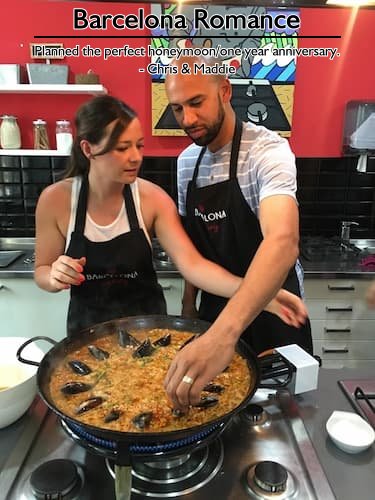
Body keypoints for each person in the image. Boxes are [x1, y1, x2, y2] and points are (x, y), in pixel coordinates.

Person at [34, 95, 307, 339]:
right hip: (87, 335)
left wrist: (263, 296)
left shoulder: (153, 199)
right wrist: (54, 276)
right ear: (88, 149)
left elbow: (194, 266)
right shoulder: (55, 201)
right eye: (121, 148)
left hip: (149, 331)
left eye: (138, 146)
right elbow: (42, 271)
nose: (135, 158)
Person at [164, 55, 313, 410]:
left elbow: (282, 241)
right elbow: (193, 245)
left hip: (277, 310)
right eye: (177, 108)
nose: (188, 119)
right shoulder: (187, 163)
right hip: (215, 308)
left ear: (225, 91)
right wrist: (190, 307)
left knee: (283, 416)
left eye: (196, 103)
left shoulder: (267, 150)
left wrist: (223, 335)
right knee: (212, 413)